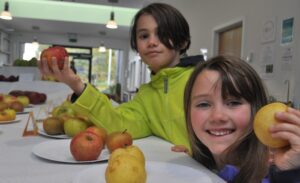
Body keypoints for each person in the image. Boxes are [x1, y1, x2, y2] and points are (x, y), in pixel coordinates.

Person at [38, 3, 203, 150]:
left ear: (182, 42)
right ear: (136, 46)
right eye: (144, 36)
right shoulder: (146, 95)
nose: (152, 42)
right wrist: (77, 86)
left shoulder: (202, 80)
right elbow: (119, 124)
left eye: (162, 33)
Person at [183, 55, 300, 182]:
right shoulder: (197, 165)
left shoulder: (276, 173)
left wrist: (289, 172)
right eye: (203, 104)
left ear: (256, 109)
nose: (217, 116)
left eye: (233, 103)